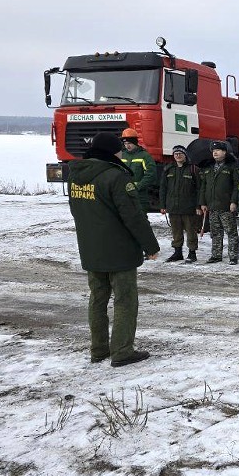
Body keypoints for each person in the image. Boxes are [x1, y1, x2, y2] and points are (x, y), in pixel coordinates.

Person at [68, 131, 160, 367]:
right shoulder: (116, 177)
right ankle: (122, 351)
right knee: (125, 300)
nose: (121, 151)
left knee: (97, 299)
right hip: (119, 250)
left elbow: (76, 211)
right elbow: (133, 216)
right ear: (111, 151)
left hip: (91, 248)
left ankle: (98, 349)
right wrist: (150, 245)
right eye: (118, 148)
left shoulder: (75, 176)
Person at [199, 140, 239, 264]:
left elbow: (237, 186)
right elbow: (204, 186)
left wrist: (234, 201)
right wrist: (202, 202)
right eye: (213, 151)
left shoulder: (232, 166)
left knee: (231, 232)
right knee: (215, 233)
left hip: (226, 206)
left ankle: (233, 256)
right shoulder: (209, 167)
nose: (215, 153)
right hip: (212, 206)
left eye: (217, 150)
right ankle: (216, 255)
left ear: (224, 152)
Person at [159, 145, 201, 263]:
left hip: (189, 207)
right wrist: (162, 205)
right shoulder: (169, 169)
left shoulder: (193, 169)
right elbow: (163, 188)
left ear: (185, 155)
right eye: (175, 154)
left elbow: (199, 188)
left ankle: (192, 253)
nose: (177, 155)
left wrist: (198, 205)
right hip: (173, 207)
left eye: (180, 153)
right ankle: (177, 253)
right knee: (176, 232)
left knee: (191, 231)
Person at [120, 128, 157, 212]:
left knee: (141, 219)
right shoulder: (122, 155)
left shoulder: (145, 156)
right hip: (124, 194)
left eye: (129, 143)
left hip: (140, 195)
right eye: (125, 143)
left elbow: (151, 174)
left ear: (135, 143)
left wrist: (138, 187)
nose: (127, 146)